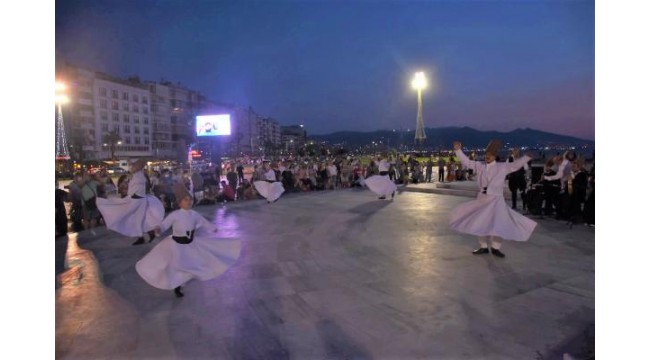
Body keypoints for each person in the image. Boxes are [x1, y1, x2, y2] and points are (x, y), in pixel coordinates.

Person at [135, 183, 241, 297]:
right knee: (176, 266)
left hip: (190, 244)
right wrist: (158, 229)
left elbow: (203, 221)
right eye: (186, 200)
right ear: (180, 202)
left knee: (191, 264)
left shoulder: (194, 214)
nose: (189, 202)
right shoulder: (175, 215)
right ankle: (177, 286)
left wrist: (212, 228)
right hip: (176, 245)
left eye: (190, 199)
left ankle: (184, 280)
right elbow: (164, 225)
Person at [449, 140, 537, 258]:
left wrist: (525, 157)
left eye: (489, 156)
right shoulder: (480, 166)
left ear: (495, 156)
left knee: (499, 223)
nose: (487, 157)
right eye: (486, 156)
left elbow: (515, 166)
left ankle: (496, 248)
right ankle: (483, 246)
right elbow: (467, 161)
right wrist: (458, 150)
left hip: (496, 200)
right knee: (480, 222)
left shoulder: (502, 167)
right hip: (483, 199)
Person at [96, 159, 165, 246]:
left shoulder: (139, 175)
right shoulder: (134, 175)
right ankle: (143, 235)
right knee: (135, 218)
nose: (131, 166)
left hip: (139, 200)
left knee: (137, 218)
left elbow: (139, 184)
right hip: (135, 199)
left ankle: (143, 235)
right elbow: (126, 168)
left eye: (132, 165)